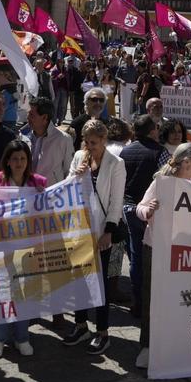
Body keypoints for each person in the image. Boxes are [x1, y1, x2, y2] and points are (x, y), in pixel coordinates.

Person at [135, 142, 191, 369]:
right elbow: (140, 207)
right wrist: (148, 211)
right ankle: (147, 346)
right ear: (186, 162)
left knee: (180, 299)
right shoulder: (161, 183)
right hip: (156, 248)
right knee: (152, 299)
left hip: (183, 253)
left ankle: (175, 344)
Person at [61, 120, 126, 355]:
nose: (90, 147)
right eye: (87, 142)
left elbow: (116, 202)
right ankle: (80, 325)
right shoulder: (80, 156)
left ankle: (102, 331)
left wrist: (108, 231)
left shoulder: (115, 163)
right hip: (79, 229)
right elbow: (67, 187)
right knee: (78, 280)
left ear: (104, 140)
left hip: (101, 231)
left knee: (99, 283)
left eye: (95, 143)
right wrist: (76, 176)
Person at [0, 140, 47, 359]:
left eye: (23, 158)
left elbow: (47, 215)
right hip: (1, 246)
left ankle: (22, 337)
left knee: (25, 293)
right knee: (0, 291)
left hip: (28, 247)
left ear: (28, 160)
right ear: (7, 161)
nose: (19, 162)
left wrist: (43, 197)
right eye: (15, 158)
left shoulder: (38, 182)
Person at [119, 115, 170, 317]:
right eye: (156, 128)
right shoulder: (161, 152)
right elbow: (165, 182)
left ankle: (138, 302)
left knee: (135, 258)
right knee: (152, 259)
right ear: (152, 131)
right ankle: (149, 303)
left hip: (130, 209)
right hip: (151, 211)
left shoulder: (125, 151)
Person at [22, 97, 73, 187]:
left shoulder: (63, 140)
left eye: (32, 115)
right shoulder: (22, 137)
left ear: (45, 117)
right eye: (28, 114)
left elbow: (69, 171)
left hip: (51, 195)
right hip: (27, 193)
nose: (28, 118)